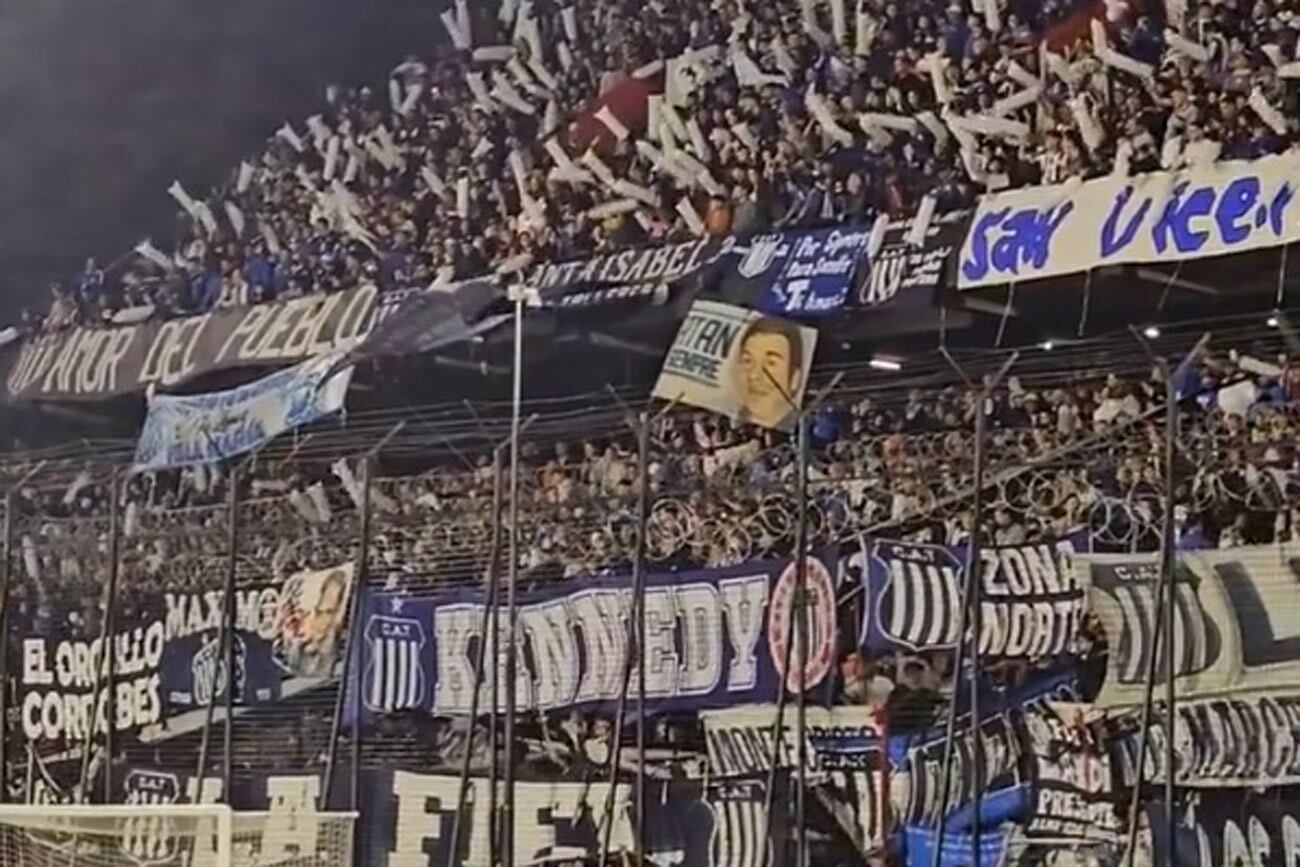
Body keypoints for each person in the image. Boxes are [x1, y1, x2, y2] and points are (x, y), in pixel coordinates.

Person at [734, 315, 805, 431]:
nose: (754, 375)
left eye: (771, 363)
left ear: (795, 378)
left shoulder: (802, 429)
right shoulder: (734, 421)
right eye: (747, 360)